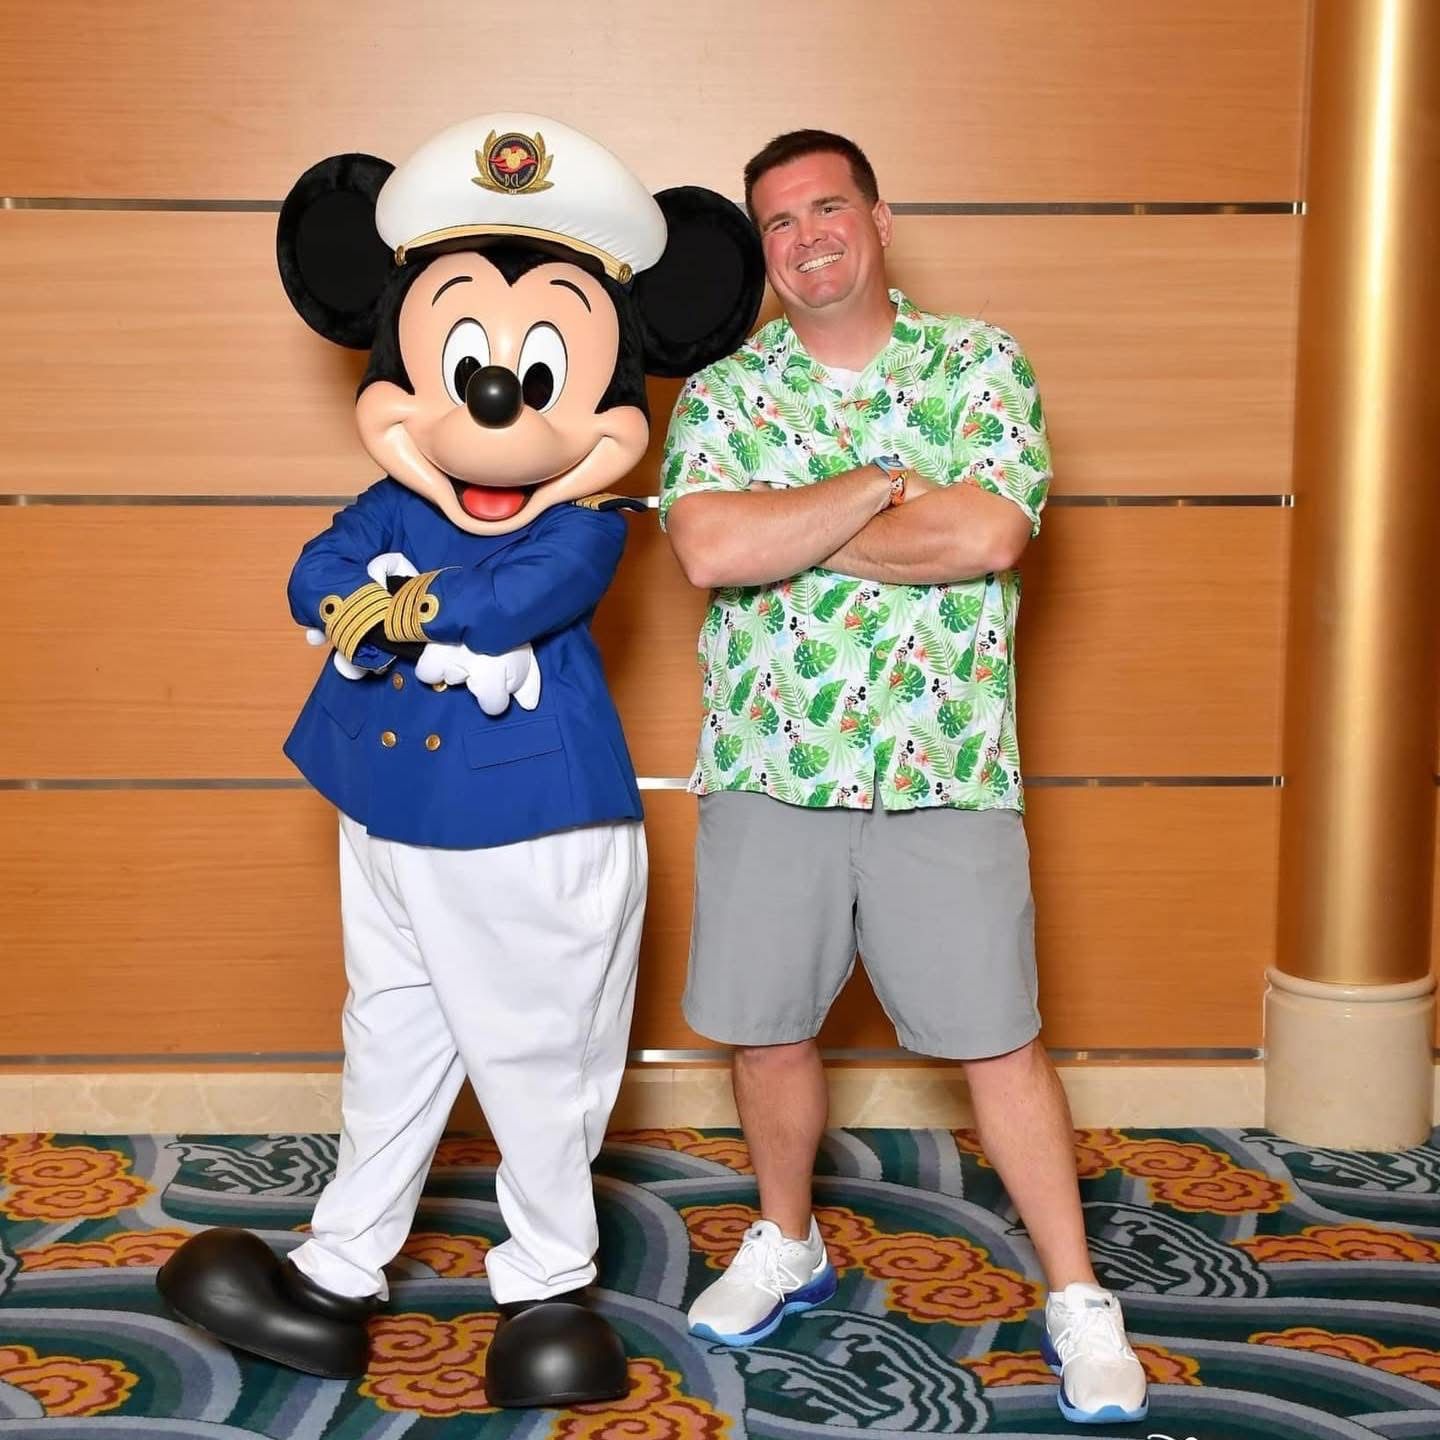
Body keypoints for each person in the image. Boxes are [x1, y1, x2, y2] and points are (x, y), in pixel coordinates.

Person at [658, 129, 1149, 1427]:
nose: (807, 235)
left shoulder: (980, 363)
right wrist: (883, 488)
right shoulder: (723, 392)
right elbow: (709, 546)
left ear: (877, 217)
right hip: (772, 762)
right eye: (777, 221)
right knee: (768, 1034)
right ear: (761, 249)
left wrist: (800, 531)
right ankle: (786, 1239)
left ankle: (1078, 1295)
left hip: (947, 766)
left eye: (828, 207)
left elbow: (989, 530)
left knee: (1001, 1042)